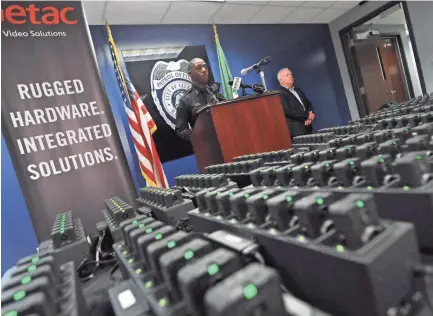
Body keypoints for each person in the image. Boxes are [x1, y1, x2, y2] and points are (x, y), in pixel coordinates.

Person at [175, 58, 225, 140]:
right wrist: (197, 137)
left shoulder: (215, 93)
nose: (204, 70)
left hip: (226, 139)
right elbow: (181, 129)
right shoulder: (185, 100)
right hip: (207, 146)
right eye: (199, 68)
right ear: (190, 74)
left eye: (205, 67)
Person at [277, 68, 315, 138]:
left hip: (308, 128)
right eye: (287, 75)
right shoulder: (280, 93)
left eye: (291, 74)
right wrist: (306, 115)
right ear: (281, 81)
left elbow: (309, 104)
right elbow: (287, 111)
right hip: (297, 132)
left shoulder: (299, 91)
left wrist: (310, 116)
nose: (290, 76)